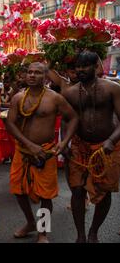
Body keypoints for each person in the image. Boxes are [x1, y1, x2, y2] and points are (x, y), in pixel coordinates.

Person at [6, 62, 78, 243]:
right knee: (18, 191)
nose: (32, 75)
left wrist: (64, 142)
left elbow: (74, 117)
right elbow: (11, 124)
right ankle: (30, 222)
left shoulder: (55, 98)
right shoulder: (18, 98)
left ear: (45, 77)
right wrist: (29, 145)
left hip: (45, 153)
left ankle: (43, 232)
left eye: (37, 73)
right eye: (29, 72)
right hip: (23, 151)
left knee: (46, 195)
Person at [62, 51, 120, 243]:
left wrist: (111, 140)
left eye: (85, 66)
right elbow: (66, 121)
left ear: (96, 66)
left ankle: (94, 231)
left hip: (106, 147)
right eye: (78, 66)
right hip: (79, 147)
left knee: (103, 192)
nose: (80, 70)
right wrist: (65, 144)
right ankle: (80, 235)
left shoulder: (112, 88)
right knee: (77, 190)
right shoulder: (69, 92)